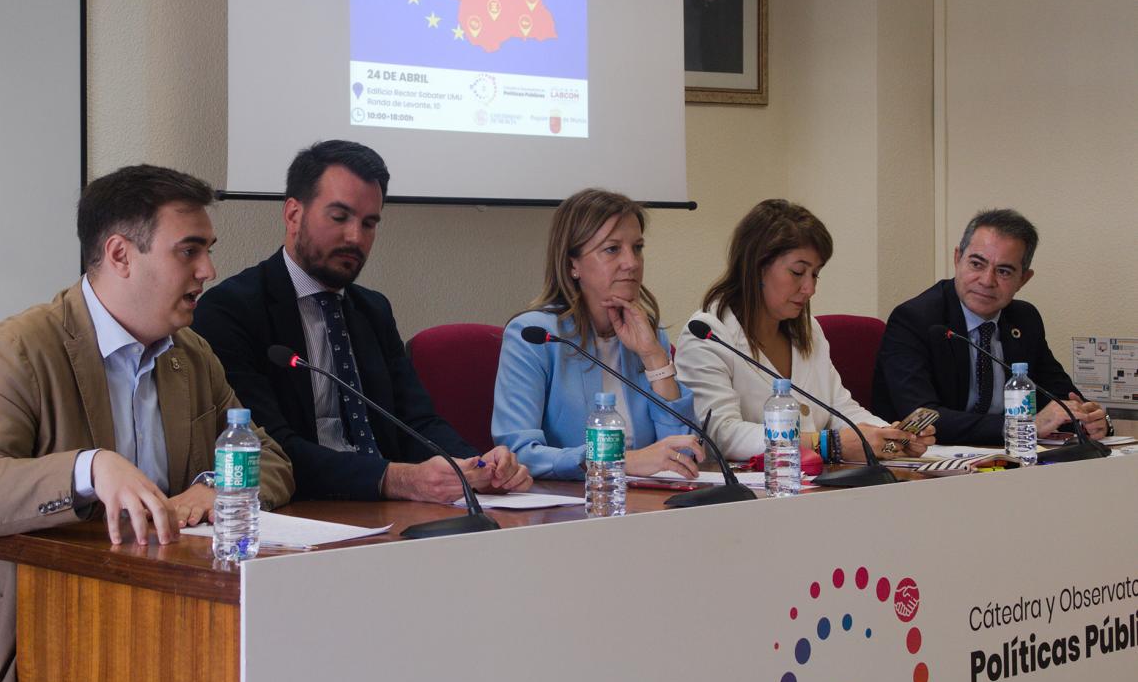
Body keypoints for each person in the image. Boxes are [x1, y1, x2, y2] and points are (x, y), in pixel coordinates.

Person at [0, 165, 295, 682]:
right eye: (188, 251)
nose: (208, 271)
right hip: (32, 647)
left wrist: (213, 485)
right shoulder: (13, 353)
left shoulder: (191, 355)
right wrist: (88, 469)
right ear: (120, 254)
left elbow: (266, 455)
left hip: (169, 627)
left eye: (208, 251)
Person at [191, 140, 531, 502]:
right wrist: (396, 479)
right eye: (340, 218)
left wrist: (477, 465)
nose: (356, 237)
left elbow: (417, 422)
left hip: (388, 510)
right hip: (302, 509)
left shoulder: (372, 309)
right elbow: (269, 447)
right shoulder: (230, 310)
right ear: (293, 215)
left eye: (369, 223)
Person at [675, 199, 934, 464]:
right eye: (798, 272)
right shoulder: (708, 334)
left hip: (817, 485)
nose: (809, 289)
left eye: (815, 274)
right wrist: (824, 443)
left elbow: (841, 409)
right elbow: (722, 435)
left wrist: (890, 436)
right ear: (756, 266)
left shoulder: (809, 330)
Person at [492, 189, 704, 480]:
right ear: (572, 264)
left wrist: (654, 357)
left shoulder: (649, 334)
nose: (631, 262)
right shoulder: (536, 337)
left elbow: (685, 455)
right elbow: (518, 453)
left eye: (638, 248)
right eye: (612, 249)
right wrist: (620, 461)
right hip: (573, 505)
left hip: (645, 502)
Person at [872, 208, 1109, 445]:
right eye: (977, 264)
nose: (987, 281)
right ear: (957, 259)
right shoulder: (915, 319)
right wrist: (1025, 426)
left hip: (1007, 460)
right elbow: (921, 418)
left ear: (1023, 279)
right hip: (925, 465)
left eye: (1004, 271)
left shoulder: (1024, 319)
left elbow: (1059, 398)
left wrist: (1090, 419)